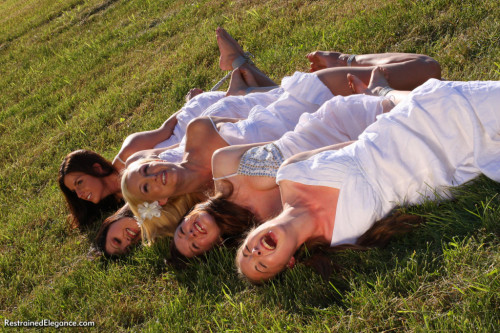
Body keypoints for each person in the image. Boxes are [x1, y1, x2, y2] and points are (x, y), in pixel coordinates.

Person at [236, 71, 500, 283]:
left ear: (252, 232)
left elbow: (350, 142)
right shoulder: (340, 242)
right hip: (440, 166)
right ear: (288, 262)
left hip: (417, 118)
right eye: (262, 265)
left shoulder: (288, 173)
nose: (256, 252)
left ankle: (380, 91)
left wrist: (386, 104)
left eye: (248, 250)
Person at [121, 51, 440, 222]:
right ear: (159, 201)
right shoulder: (213, 199)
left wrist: (293, 84)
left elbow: (256, 102)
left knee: (427, 69)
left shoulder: (197, 133)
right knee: (422, 101)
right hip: (329, 131)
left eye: (147, 169)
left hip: (305, 98)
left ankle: (343, 60)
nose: (155, 175)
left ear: (153, 158)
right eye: (147, 186)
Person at [173, 68, 398, 257]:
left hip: (329, 124)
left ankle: (375, 93)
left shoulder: (221, 163)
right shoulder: (262, 230)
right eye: (194, 245)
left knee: (422, 72)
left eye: (182, 230)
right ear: (215, 246)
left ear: (189, 213)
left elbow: (277, 132)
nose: (191, 234)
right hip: (351, 159)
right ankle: (377, 94)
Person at [59, 149, 123, 227]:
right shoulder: (117, 199)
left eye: (79, 182)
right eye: (74, 191)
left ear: (97, 169)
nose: (79, 195)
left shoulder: (130, 151)